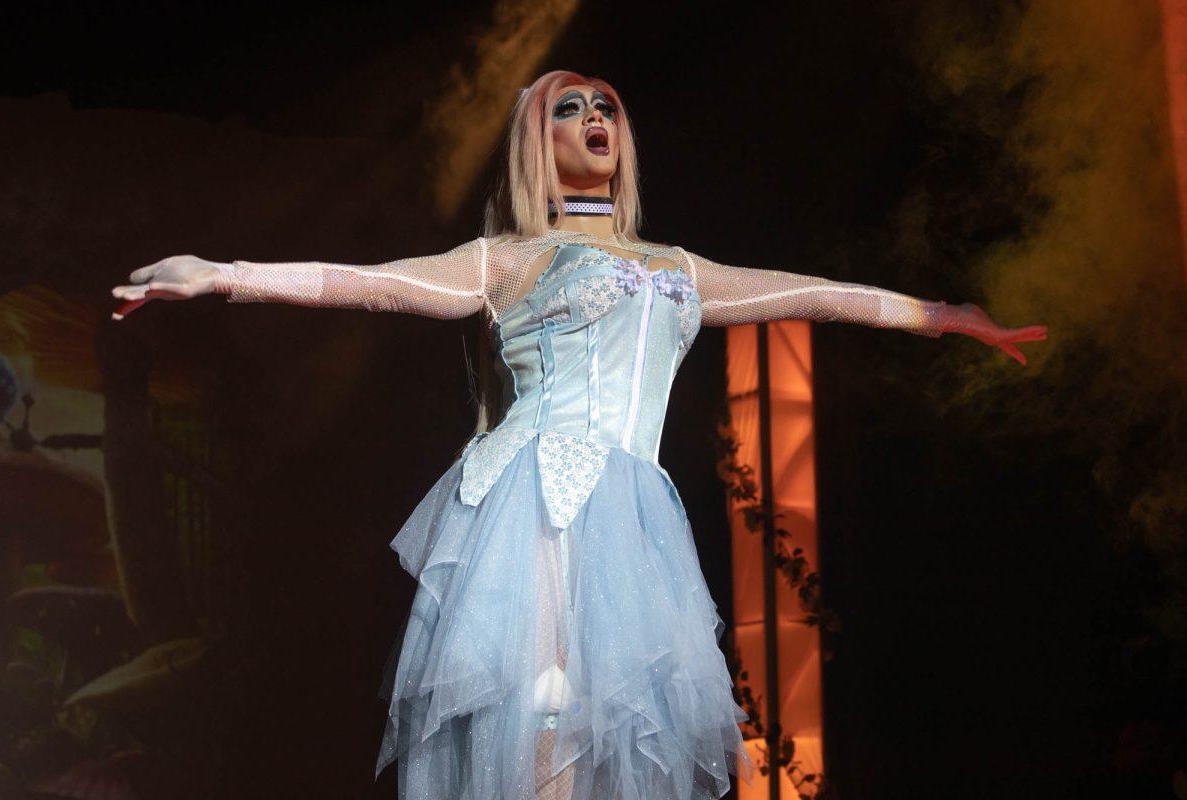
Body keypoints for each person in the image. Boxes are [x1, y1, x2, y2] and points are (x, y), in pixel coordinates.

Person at [111, 69, 1046, 800]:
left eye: (606, 106)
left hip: (635, 515)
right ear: (536, 140)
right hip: (538, 498)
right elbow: (368, 281)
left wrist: (941, 316)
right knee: (546, 713)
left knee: (620, 729)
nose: (596, 117)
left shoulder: (680, 268)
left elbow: (823, 294)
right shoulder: (510, 261)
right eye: (569, 109)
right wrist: (222, 271)